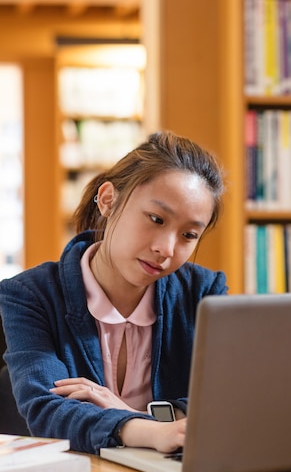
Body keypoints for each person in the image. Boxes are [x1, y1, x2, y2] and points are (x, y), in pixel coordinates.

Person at [0, 131, 227, 454]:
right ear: (108, 200)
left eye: (189, 235)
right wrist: (152, 431)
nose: (166, 248)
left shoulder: (203, 292)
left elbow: (229, 398)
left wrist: (124, 412)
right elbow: (46, 410)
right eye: (156, 219)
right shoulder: (30, 294)